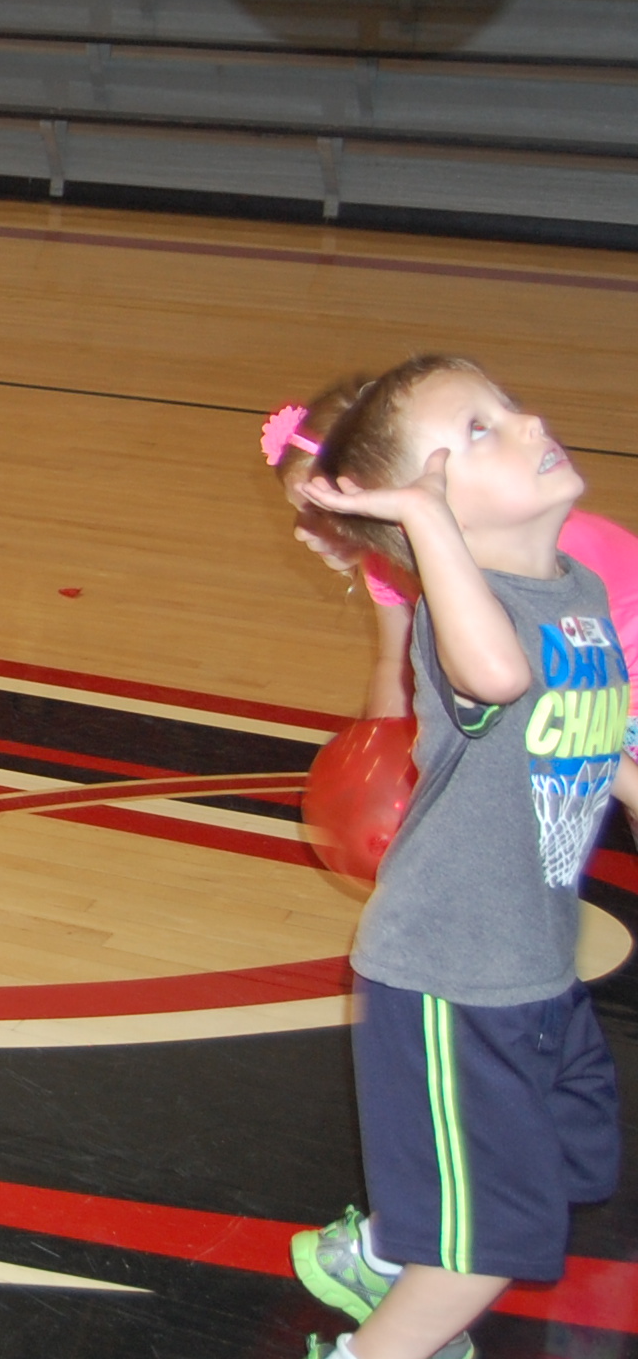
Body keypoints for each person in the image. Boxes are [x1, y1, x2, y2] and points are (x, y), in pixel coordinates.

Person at [276, 357, 633, 1359]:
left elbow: (592, 738)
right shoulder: (465, 620)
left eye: (509, 406)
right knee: (492, 1238)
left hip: (529, 961)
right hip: (448, 971)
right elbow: (499, 674)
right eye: (476, 429)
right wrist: (424, 528)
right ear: (425, 510)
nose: (526, 420)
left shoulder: (576, 588)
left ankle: (394, 1250)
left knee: (569, 1160)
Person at [267, 392, 638, 722]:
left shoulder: (509, 554)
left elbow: (548, 702)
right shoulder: (383, 562)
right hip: (577, 696)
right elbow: (395, 667)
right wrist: (376, 747)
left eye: (319, 511)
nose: (301, 530)